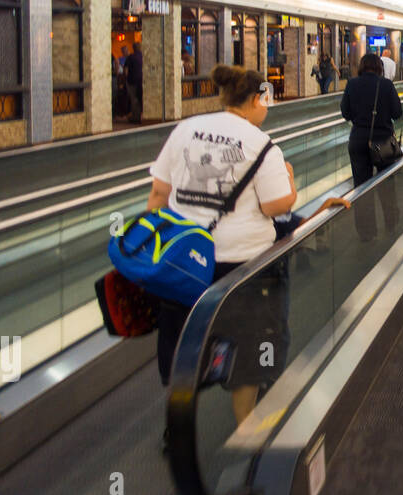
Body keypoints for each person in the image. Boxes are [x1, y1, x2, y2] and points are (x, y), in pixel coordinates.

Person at [146, 65, 297, 427]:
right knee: (250, 340)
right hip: (242, 268)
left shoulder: (185, 130)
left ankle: (178, 428)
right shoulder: (262, 145)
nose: (268, 108)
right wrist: (290, 181)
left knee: (184, 344)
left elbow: (158, 195)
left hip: (185, 265)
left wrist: (161, 242)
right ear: (257, 99)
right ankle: (246, 422)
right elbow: (276, 206)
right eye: (267, 100)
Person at [340, 53, 403, 242]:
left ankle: (367, 233)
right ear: (379, 67)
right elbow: (397, 112)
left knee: (361, 188)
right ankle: (391, 225)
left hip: (358, 140)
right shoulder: (386, 85)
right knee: (387, 186)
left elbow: (345, 112)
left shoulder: (352, 84)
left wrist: (361, 123)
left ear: (361, 66)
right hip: (383, 141)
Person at [126, 44, 144, 124]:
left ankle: (136, 117)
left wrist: (125, 80)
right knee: (140, 99)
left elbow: (126, 70)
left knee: (134, 99)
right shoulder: (143, 56)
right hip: (141, 81)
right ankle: (141, 116)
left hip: (132, 81)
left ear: (133, 48)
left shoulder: (131, 57)